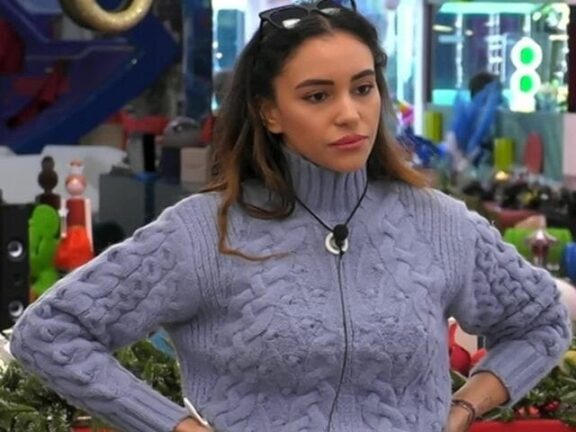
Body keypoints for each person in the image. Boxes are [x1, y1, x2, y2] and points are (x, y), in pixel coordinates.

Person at [9, 1, 571, 432]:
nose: (350, 114)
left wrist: (467, 406)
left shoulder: (440, 225)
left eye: (363, 88)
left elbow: (544, 321)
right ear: (270, 112)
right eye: (317, 96)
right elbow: (50, 332)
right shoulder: (203, 233)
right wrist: (174, 426)